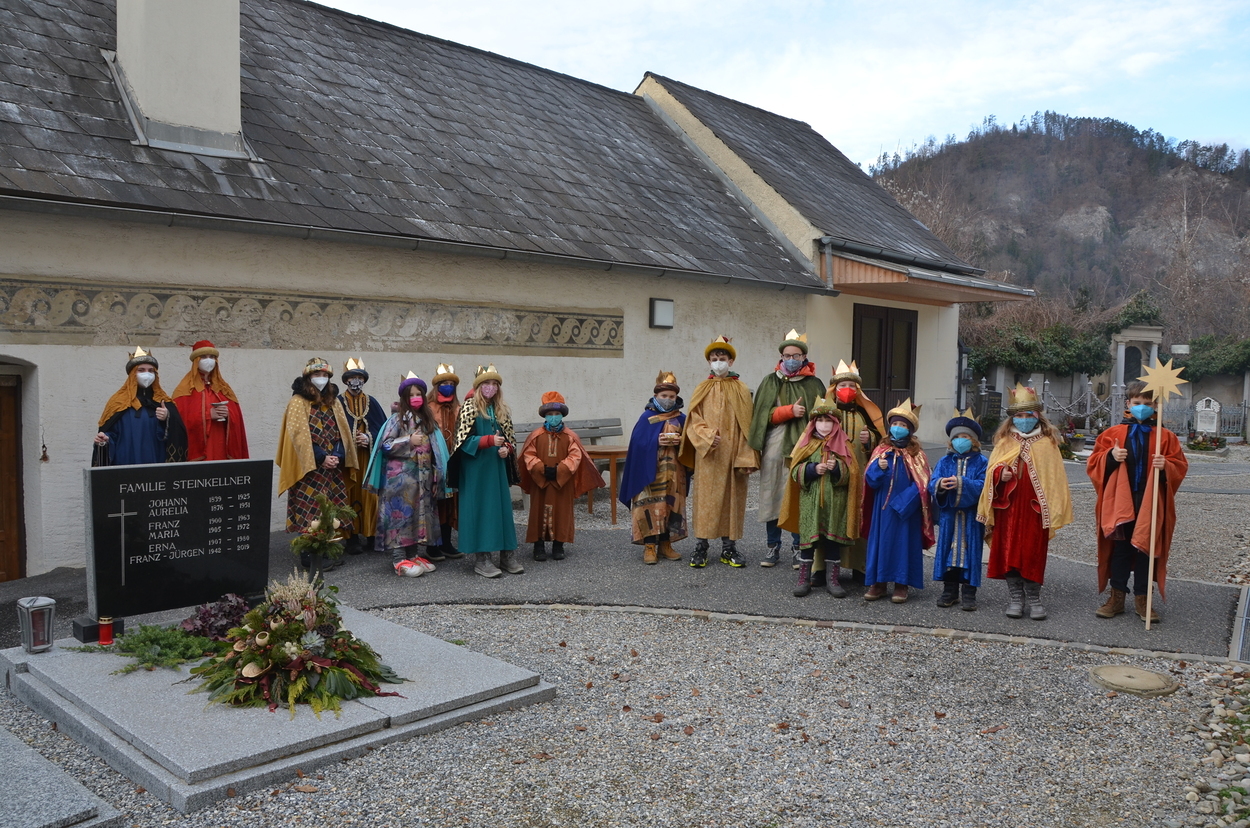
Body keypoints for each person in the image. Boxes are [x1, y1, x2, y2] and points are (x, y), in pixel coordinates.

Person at [1087, 381, 1187, 622]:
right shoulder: (1113, 434)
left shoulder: (1166, 437)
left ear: (1156, 406)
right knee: (1121, 549)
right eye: (1137, 402)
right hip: (1121, 501)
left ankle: (1144, 599)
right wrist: (1111, 457)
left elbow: (1180, 466)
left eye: (1148, 403)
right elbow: (1094, 463)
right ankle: (1117, 597)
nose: (1142, 407)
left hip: (1150, 502)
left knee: (1146, 549)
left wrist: (1166, 466)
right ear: (1128, 404)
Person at [977, 384, 1073, 620]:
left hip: (1034, 510)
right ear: (1012, 418)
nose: (1023, 420)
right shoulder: (1005, 442)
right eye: (1018, 416)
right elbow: (990, 472)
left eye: (1028, 415)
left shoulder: (1048, 443)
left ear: (1037, 415)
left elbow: (1055, 479)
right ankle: (1015, 598)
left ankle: (1034, 597)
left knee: (1032, 553)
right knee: (1008, 552)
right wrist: (999, 474)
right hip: (1008, 510)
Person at [678, 336, 759, 568]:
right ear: (709, 362)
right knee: (706, 499)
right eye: (714, 359)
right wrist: (706, 436)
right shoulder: (702, 388)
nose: (718, 362)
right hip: (709, 456)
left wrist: (747, 456)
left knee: (732, 501)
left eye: (722, 358)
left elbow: (748, 425)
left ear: (731, 361)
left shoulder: (741, 389)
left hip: (733, 454)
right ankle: (701, 546)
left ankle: (729, 547)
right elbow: (693, 419)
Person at [748, 329, 826, 567]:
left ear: (804, 357)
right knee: (773, 496)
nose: (791, 359)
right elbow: (761, 415)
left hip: (803, 448)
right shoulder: (770, 381)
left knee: (798, 497)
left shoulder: (814, 384)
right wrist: (787, 411)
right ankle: (773, 546)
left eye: (796, 355)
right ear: (781, 357)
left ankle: (798, 546)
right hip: (776, 445)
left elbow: (825, 415)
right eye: (787, 355)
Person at [364, 373, 447, 577]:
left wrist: (436, 477)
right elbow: (385, 445)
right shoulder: (396, 420)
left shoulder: (427, 421)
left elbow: (435, 451)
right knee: (400, 517)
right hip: (399, 481)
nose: (415, 398)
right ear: (404, 398)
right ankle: (399, 557)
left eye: (419, 394)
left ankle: (413, 554)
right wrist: (408, 441)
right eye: (411, 395)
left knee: (418, 515)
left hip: (422, 479)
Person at [812, 360, 885, 592]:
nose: (847, 389)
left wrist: (870, 439)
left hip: (858, 476)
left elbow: (880, 443)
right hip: (830, 475)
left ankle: (859, 567)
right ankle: (819, 569)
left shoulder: (865, 414)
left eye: (852, 386)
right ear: (834, 388)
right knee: (826, 517)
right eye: (842, 385)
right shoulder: (826, 414)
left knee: (858, 516)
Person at [779, 390, 857, 597]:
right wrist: (812, 469)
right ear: (814, 423)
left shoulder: (844, 444)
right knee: (807, 542)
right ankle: (803, 580)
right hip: (810, 501)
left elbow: (853, 473)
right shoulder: (807, 443)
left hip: (835, 501)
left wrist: (837, 468)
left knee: (832, 542)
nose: (824, 424)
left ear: (835, 423)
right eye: (820, 420)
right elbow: (795, 470)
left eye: (828, 420)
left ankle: (833, 580)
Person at [276, 358, 358, 544]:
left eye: (324, 375)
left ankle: (329, 547)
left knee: (332, 509)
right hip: (309, 467)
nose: (321, 378)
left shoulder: (334, 402)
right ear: (308, 377)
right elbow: (298, 437)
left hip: (332, 467)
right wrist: (321, 457)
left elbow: (342, 433)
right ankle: (309, 550)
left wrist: (337, 455)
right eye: (316, 374)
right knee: (311, 510)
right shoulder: (298, 402)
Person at [450, 364, 521, 578]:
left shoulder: (501, 410)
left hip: (496, 469)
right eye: (487, 383)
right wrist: (488, 440)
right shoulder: (469, 408)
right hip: (476, 469)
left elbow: (509, 439)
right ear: (478, 386)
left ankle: (507, 554)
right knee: (480, 511)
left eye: (495, 383)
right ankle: (482, 558)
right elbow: (461, 443)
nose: (491, 387)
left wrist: (506, 448)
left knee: (501, 510)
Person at [861, 399, 933, 603]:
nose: (898, 428)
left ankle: (901, 584)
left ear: (910, 430)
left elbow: (923, 483)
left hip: (905, 510)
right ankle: (879, 583)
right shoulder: (881, 451)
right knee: (881, 543)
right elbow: (870, 481)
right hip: (882, 509)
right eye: (895, 424)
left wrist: (905, 503)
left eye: (903, 425)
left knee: (903, 544)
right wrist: (879, 468)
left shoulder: (917, 454)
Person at [519, 392, 604, 561]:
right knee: (538, 512)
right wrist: (542, 469)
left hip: (563, 482)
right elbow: (529, 455)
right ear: (544, 415)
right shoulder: (536, 436)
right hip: (540, 481)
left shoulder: (570, 437)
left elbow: (575, 456)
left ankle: (559, 545)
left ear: (562, 415)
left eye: (557, 414)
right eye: (550, 414)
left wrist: (560, 469)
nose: (553, 417)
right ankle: (538, 545)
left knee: (562, 512)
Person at [620, 371, 689, 564]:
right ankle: (649, 546)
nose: (668, 399)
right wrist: (655, 441)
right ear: (655, 395)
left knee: (670, 505)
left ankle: (666, 544)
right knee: (649, 506)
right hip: (650, 472)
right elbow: (637, 444)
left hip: (674, 473)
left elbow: (690, 444)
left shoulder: (681, 419)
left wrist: (681, 442)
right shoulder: (647, 418)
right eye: (664, 395)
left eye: (672, 396)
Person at [928, 409, 988, 611]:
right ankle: (950, 591)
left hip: (971, 517)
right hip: (950, 517)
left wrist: (962, 483)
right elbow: (932, 482)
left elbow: (984, 486)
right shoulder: (945, 461)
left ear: (974, 440)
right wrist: (940, 485)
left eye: (965, 437)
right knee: (948, 552)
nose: (960, 441)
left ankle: (969, 593)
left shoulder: (982, 462)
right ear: (951, 441)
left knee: (971, 552)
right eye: (957, 437)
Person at [93, 346, 188, 466]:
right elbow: (111, 433)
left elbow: (177, 436)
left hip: (156, 460)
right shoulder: (118, 402)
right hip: (126, 461)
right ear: (132, 374)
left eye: (151, 370)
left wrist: (167, 418)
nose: (147, 374)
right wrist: (105, 439)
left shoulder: (164, 402)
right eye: (141, 370)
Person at [339, 358, 386, 555]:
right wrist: (351, 440)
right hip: (347, 462)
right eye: (352, 377)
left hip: (368, 459)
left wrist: (369, 437)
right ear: (346, 380)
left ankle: (371, 535)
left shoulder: (371, 402)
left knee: (370, 496)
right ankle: (351, 538)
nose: (356, 381)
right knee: (348, 495)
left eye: (359, 377)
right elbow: (335, 430)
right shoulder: (337, 403)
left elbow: (383, 429)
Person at [172, 340, 249, 461]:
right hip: (199, 451)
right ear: (196, 361)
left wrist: (228, 414)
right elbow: (178, 421)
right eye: (204, 357)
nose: (208, 360)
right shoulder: (184, 390)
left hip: (221, 446)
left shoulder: (224, 389)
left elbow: (238, 419)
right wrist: (208, 415)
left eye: (212, 357)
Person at [428, 363, 464, 560]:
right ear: (437, 386)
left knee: (451, 502)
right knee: (435, 502)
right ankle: (432, 545)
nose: (448, 387)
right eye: (444, 384)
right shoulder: (429, 408)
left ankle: (446, 542)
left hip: (453, 461)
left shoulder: (459, 408)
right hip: (434, 461)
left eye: (451, 384)